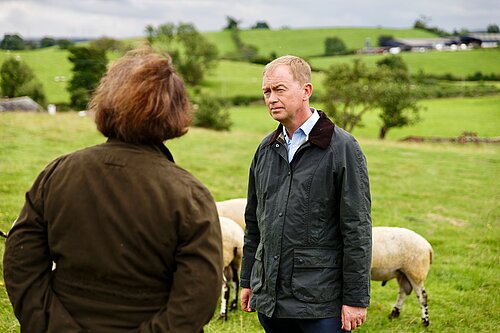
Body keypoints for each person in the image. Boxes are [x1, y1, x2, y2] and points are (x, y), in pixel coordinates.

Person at [3, 46, 223, 333]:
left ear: (105, 103)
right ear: (176, 111)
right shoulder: (191, 196)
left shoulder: (57, 174)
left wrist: (51, 325)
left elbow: (20, 262)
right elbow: (199, 298)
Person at [239, 55, 372, 333]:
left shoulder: (342, 148)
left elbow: (357, 228)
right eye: (266, 91)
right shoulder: (265, 150)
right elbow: (254, 223)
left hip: (320, 304)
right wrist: (249, 280)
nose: (271, 98)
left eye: (279, 89)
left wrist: (355, 298)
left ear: (306, 91)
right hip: (272, 303)